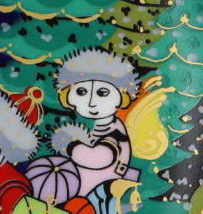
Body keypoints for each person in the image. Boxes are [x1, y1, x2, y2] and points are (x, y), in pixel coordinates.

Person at [28, 49, 142, 203]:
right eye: (81, 92)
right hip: (76, 186)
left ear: (122, 96)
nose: (91, 102)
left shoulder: (114, 131)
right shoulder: (95, 125)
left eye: (102, 93)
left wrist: (71, 145)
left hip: (97, 191)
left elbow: (101, 157)